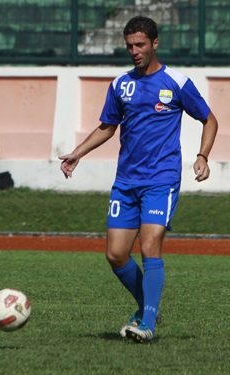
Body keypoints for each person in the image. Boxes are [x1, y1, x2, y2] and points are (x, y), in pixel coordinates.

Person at [59, 16, 217, 344]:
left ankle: (147, 324)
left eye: (140, 45)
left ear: (155, 44)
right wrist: (78, 152)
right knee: (116, 255)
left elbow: (209, 119)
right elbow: (108, 126)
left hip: (162, 179)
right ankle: (148, 307)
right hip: (126, 181)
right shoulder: (120, 85)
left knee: (149, 246)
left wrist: (202, 156)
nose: (134, 51)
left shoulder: (176, 81)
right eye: (129, 45)